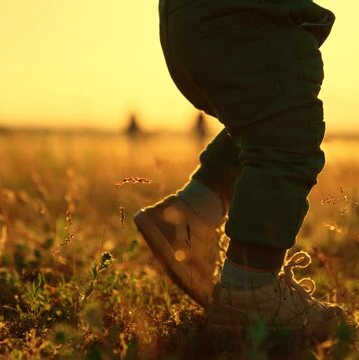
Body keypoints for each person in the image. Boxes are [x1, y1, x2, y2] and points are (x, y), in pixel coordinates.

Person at [133, 0, 343, 339]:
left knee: (264, 126)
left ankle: (193, 213)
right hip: (239, 19)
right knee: (287, 136)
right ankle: (251, 290)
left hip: (193, 20)